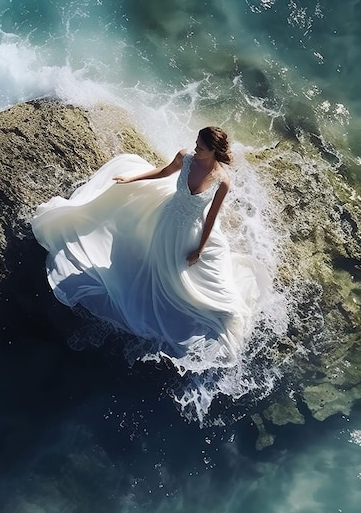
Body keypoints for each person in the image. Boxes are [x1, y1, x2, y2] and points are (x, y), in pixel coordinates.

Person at [30, 126, 261, 373]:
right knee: (157, 266)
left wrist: (200, 250)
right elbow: (164, 172)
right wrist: (132, 179)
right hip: (166, 221)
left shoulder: (221, 181)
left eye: (201, 147)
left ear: (214, 150)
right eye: (196, 143)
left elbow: (212, 217)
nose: (196, 148)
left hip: (190, 232)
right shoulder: (186, 158)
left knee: (209, 292)